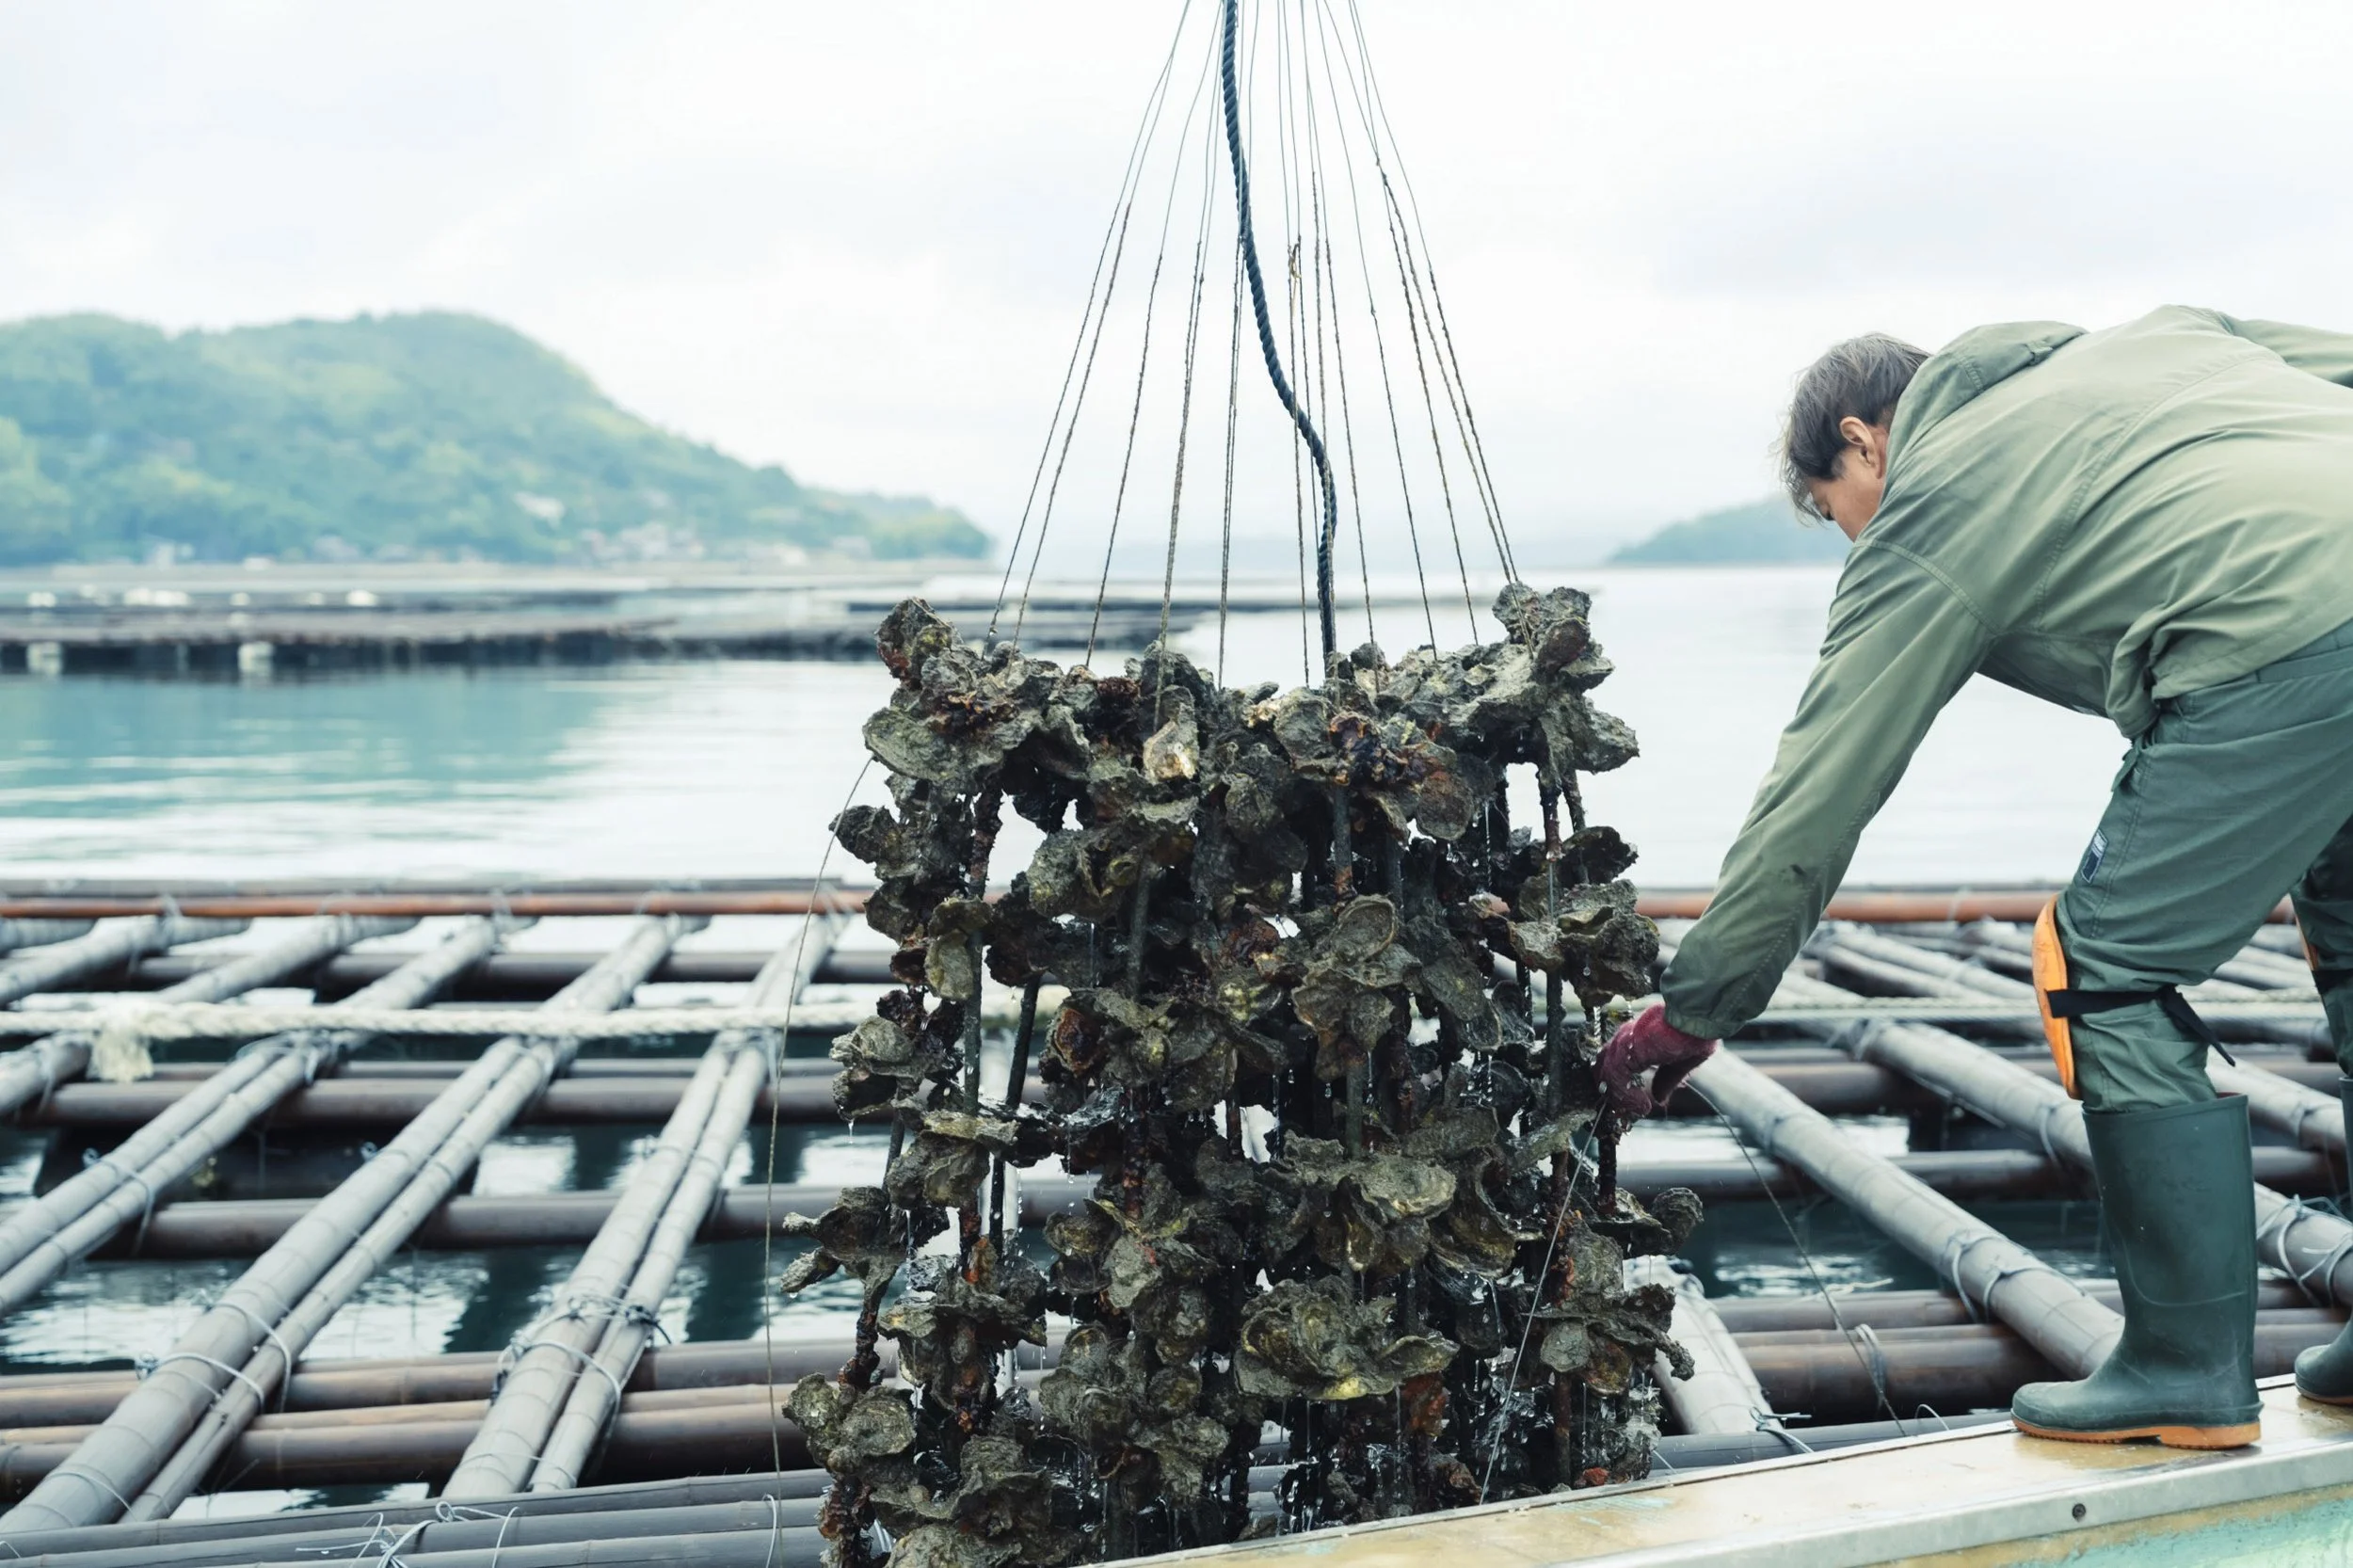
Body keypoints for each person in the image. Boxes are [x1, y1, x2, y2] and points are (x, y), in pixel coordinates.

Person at [1597, 307, 2353, 1450]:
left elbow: (1819, 790)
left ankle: (2186, 1368)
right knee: (2344, 938)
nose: (1850, 540)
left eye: (1832, 513)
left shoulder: (1927, 508)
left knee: (2101, 969)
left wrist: (1698, 1007)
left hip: (2284, 643)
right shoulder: (2164, 336)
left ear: (1861, 442)